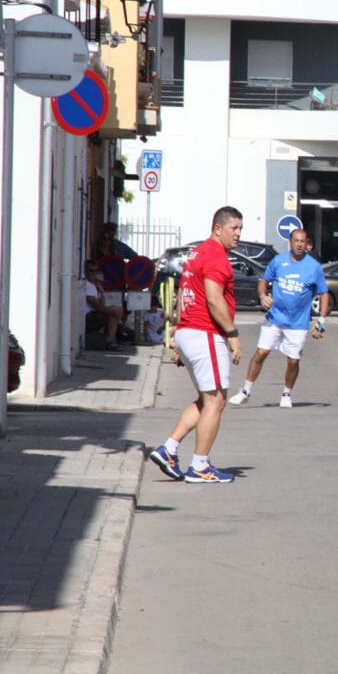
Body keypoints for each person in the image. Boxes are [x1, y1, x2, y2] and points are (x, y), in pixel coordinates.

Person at [148, 206, 245, 484]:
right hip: (205, 333)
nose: (238, 234)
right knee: (217, 399)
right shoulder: (216, 256)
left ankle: (169, 449)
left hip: (190, 331)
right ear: (218, 228)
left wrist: (179, 330)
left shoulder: (197, 253)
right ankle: (200, 466)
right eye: (233, 228)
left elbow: (182, 292)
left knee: (206, 399)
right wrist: (233, 334)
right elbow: (214, 299)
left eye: (240, 228)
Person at [228, 228, 329, 409]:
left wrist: (321, 319)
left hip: (298, 323)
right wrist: (263, 296)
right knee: (261, 353)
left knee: (293, 360)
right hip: (275, 318)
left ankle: (286, 394)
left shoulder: (313, 267)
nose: (299, 244)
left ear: (307, 244)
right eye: (296, 240)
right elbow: (263, 282)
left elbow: (323, 292)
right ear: (290, 241)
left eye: (303, 241)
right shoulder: (278, 261)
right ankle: (245, 391)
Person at [83, 260, 125, 350]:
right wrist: (114, 312)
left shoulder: (94, 285)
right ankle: (110, 342)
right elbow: (97, 306)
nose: (94, 274)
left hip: (94, 314)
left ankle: (112, 340)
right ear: (86, 271)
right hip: (87, 317)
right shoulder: (86, 284)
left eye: (96, 271)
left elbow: (102, 303)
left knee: (116, 312)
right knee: (114, 314)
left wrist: (101, 292)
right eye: (91, 271)